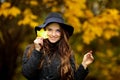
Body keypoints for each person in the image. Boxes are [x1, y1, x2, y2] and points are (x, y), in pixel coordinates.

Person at [22, 12, 94, 80]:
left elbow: (73, 78)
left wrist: (84, 64)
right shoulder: (31, 49)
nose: (53, 34)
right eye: (50, 30)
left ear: (62, 33)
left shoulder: (67, 52)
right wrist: (37, 50)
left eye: (58, 31)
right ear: (44, 30)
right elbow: (27, 74)